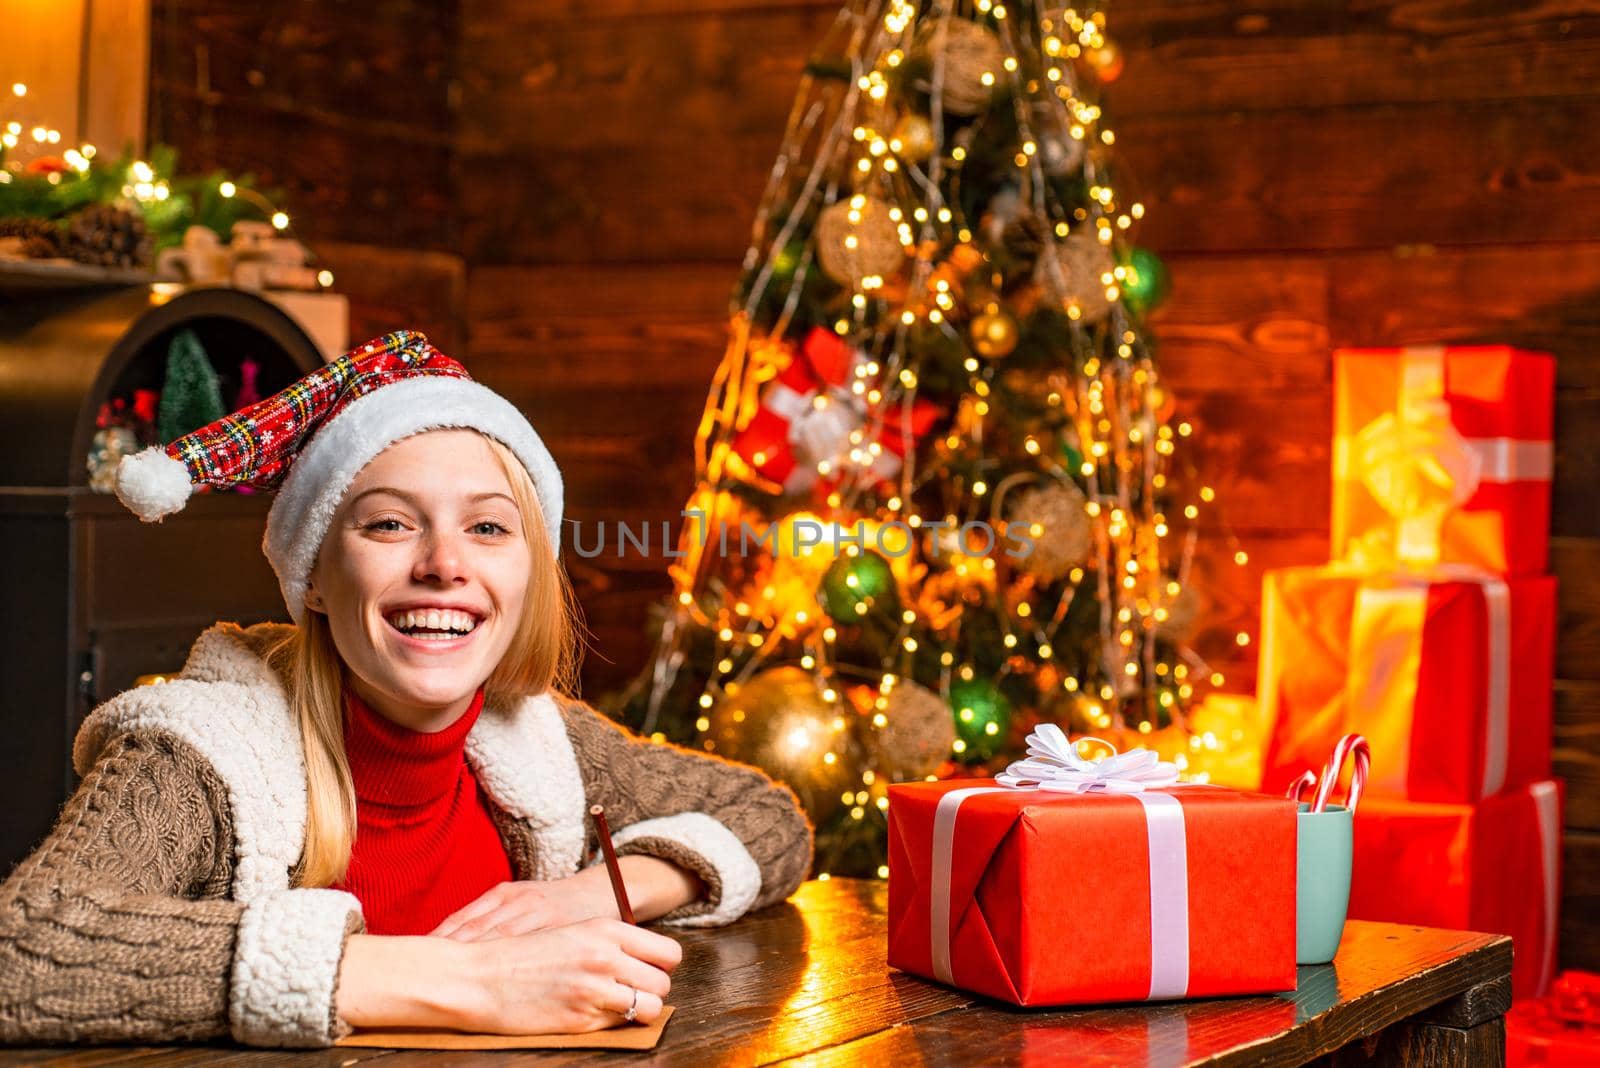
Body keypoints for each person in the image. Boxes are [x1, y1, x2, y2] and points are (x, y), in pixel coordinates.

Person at [0, 331, 812, 1047]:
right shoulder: (202, 755)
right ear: (314, 575)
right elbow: (23, 948)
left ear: (528, 572)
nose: (444, 564)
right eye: (390, 523)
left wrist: (596, 892)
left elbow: (773, 821)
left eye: (489, 528)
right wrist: (471, 984)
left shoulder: (534, 741)